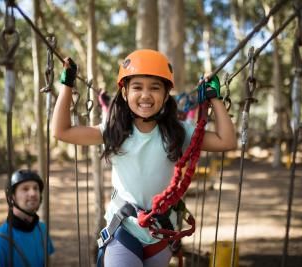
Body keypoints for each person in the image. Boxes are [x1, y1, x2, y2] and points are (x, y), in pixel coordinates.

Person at [52, 49, 236, 267]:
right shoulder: (114, 131)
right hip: (124, 227)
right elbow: (61, 131)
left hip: (161, 231)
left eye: (155, 88)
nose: (146, 95)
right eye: (137, 87)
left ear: (166, 95)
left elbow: (227, 141)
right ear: (124, 93)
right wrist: (67, 85)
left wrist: (214, 99)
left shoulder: (178, 132)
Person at [0, 169, 54, 267]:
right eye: (25, 189)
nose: (33, 193)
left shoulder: (42, 229)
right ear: (12, 197)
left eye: (36, 188)